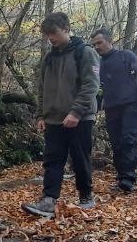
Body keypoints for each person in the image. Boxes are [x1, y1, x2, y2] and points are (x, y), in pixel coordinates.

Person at [22, 12, 100, 218]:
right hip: (53, 118)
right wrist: (41, 114)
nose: (51, 38)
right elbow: (41, 88)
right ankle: (48, 201)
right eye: (47, 34)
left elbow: (91, 85)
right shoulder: (49, 57)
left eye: (54, 33)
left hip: (80, 118)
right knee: (52, 160)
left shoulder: (85, 52)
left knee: (80, 157)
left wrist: (76, 112)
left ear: (66, 29)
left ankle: (86, 196)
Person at [90, 28, 137, 193]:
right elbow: (97, 89)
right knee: (116, 142)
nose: (96, 47)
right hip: (111, 107)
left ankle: (128, 178)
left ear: (110, 41)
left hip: (131, 104)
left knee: (128, 140)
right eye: (94, 44)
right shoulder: (98, 63)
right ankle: (121, 176)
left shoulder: (126, 56)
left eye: (99, 43)